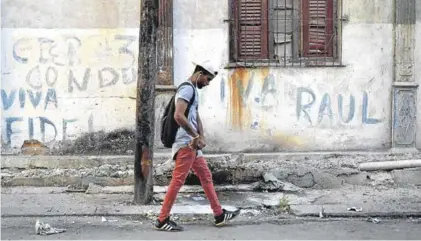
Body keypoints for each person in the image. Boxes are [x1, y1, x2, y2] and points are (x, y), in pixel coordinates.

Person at [154, 61, 240, 231]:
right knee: (178, 181)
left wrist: (201, 135)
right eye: (207, 79)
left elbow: (195, 115)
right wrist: (195, 136)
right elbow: (178, 116)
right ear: (199, 74)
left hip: (193, 143)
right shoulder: (186, 89)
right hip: (186, 143)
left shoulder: (193, 90)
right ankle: (162, 219)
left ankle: (219, 214)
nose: (207, 83)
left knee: (206, 176)